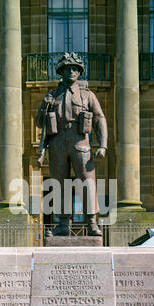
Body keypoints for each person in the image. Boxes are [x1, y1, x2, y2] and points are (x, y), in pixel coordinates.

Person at [35, 52, 108, 237]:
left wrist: (103, 145)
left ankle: (92, 222)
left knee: (87, 182)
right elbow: (38, 122)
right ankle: (62, 224)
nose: (71, 72)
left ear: (79, 72)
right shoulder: (52, 95)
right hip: (57, 141)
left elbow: (99, 118)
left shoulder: (87, 95)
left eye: (75, 68)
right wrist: (44, 106)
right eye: (67, 68)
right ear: (61, 71)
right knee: (59, 183)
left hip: (80, 140)